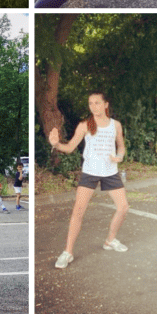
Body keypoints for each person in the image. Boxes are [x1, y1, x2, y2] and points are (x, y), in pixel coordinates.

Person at [49, 91, 128, 268]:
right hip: (90, 172)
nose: (94, 107)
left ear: (106, 104)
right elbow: (69, 147)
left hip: (110, 171)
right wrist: (55, 144)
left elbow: (121, 147)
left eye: (97, 103)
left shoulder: (116, 125)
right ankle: (67, 252)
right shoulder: (85, 125)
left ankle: (110, 240)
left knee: (123, 208)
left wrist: (119, 157)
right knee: (78, 211)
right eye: (91, 103)